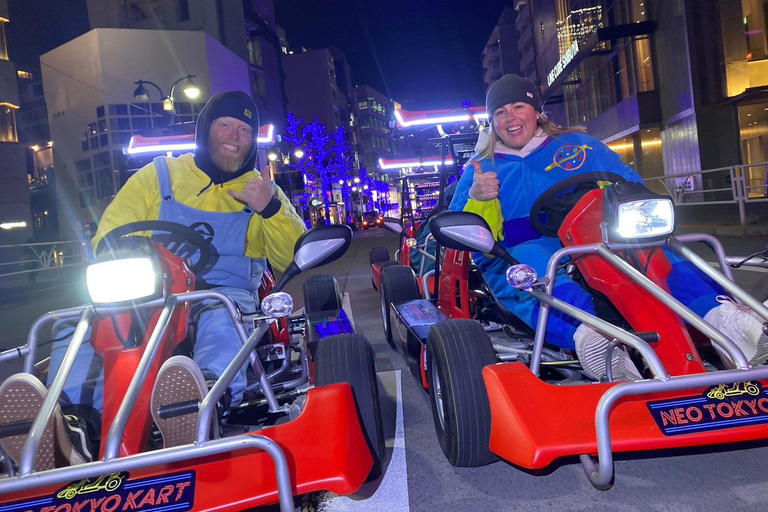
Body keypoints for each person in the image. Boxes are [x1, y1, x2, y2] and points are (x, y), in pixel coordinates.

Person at [0, 91, 305, 466]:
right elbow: (108, 235)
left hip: (220, 293)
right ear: (205, 130)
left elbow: (293, 257)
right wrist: (129, 252)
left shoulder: (262, 190)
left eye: (244, 129)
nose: (234, 135)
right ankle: (74, 425)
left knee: (219, 317)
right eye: (224, 124)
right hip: (151, 293)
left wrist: (271, 209)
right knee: (78, 324)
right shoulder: (158, 175)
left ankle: (200, 403)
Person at [450, 74, 768, 382]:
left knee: (655, 252)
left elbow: (631, 185)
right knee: (535, 264)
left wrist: (615, 194)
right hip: (522, 248)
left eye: (518, 107)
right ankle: (594, 339)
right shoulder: (481, 168)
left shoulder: (579, 147)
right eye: (500, 112)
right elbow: (463, 232)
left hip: (598, 237)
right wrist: (478, 197)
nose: (510, 118)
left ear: (536, 111)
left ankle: (728, 323)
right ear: (492, 122)